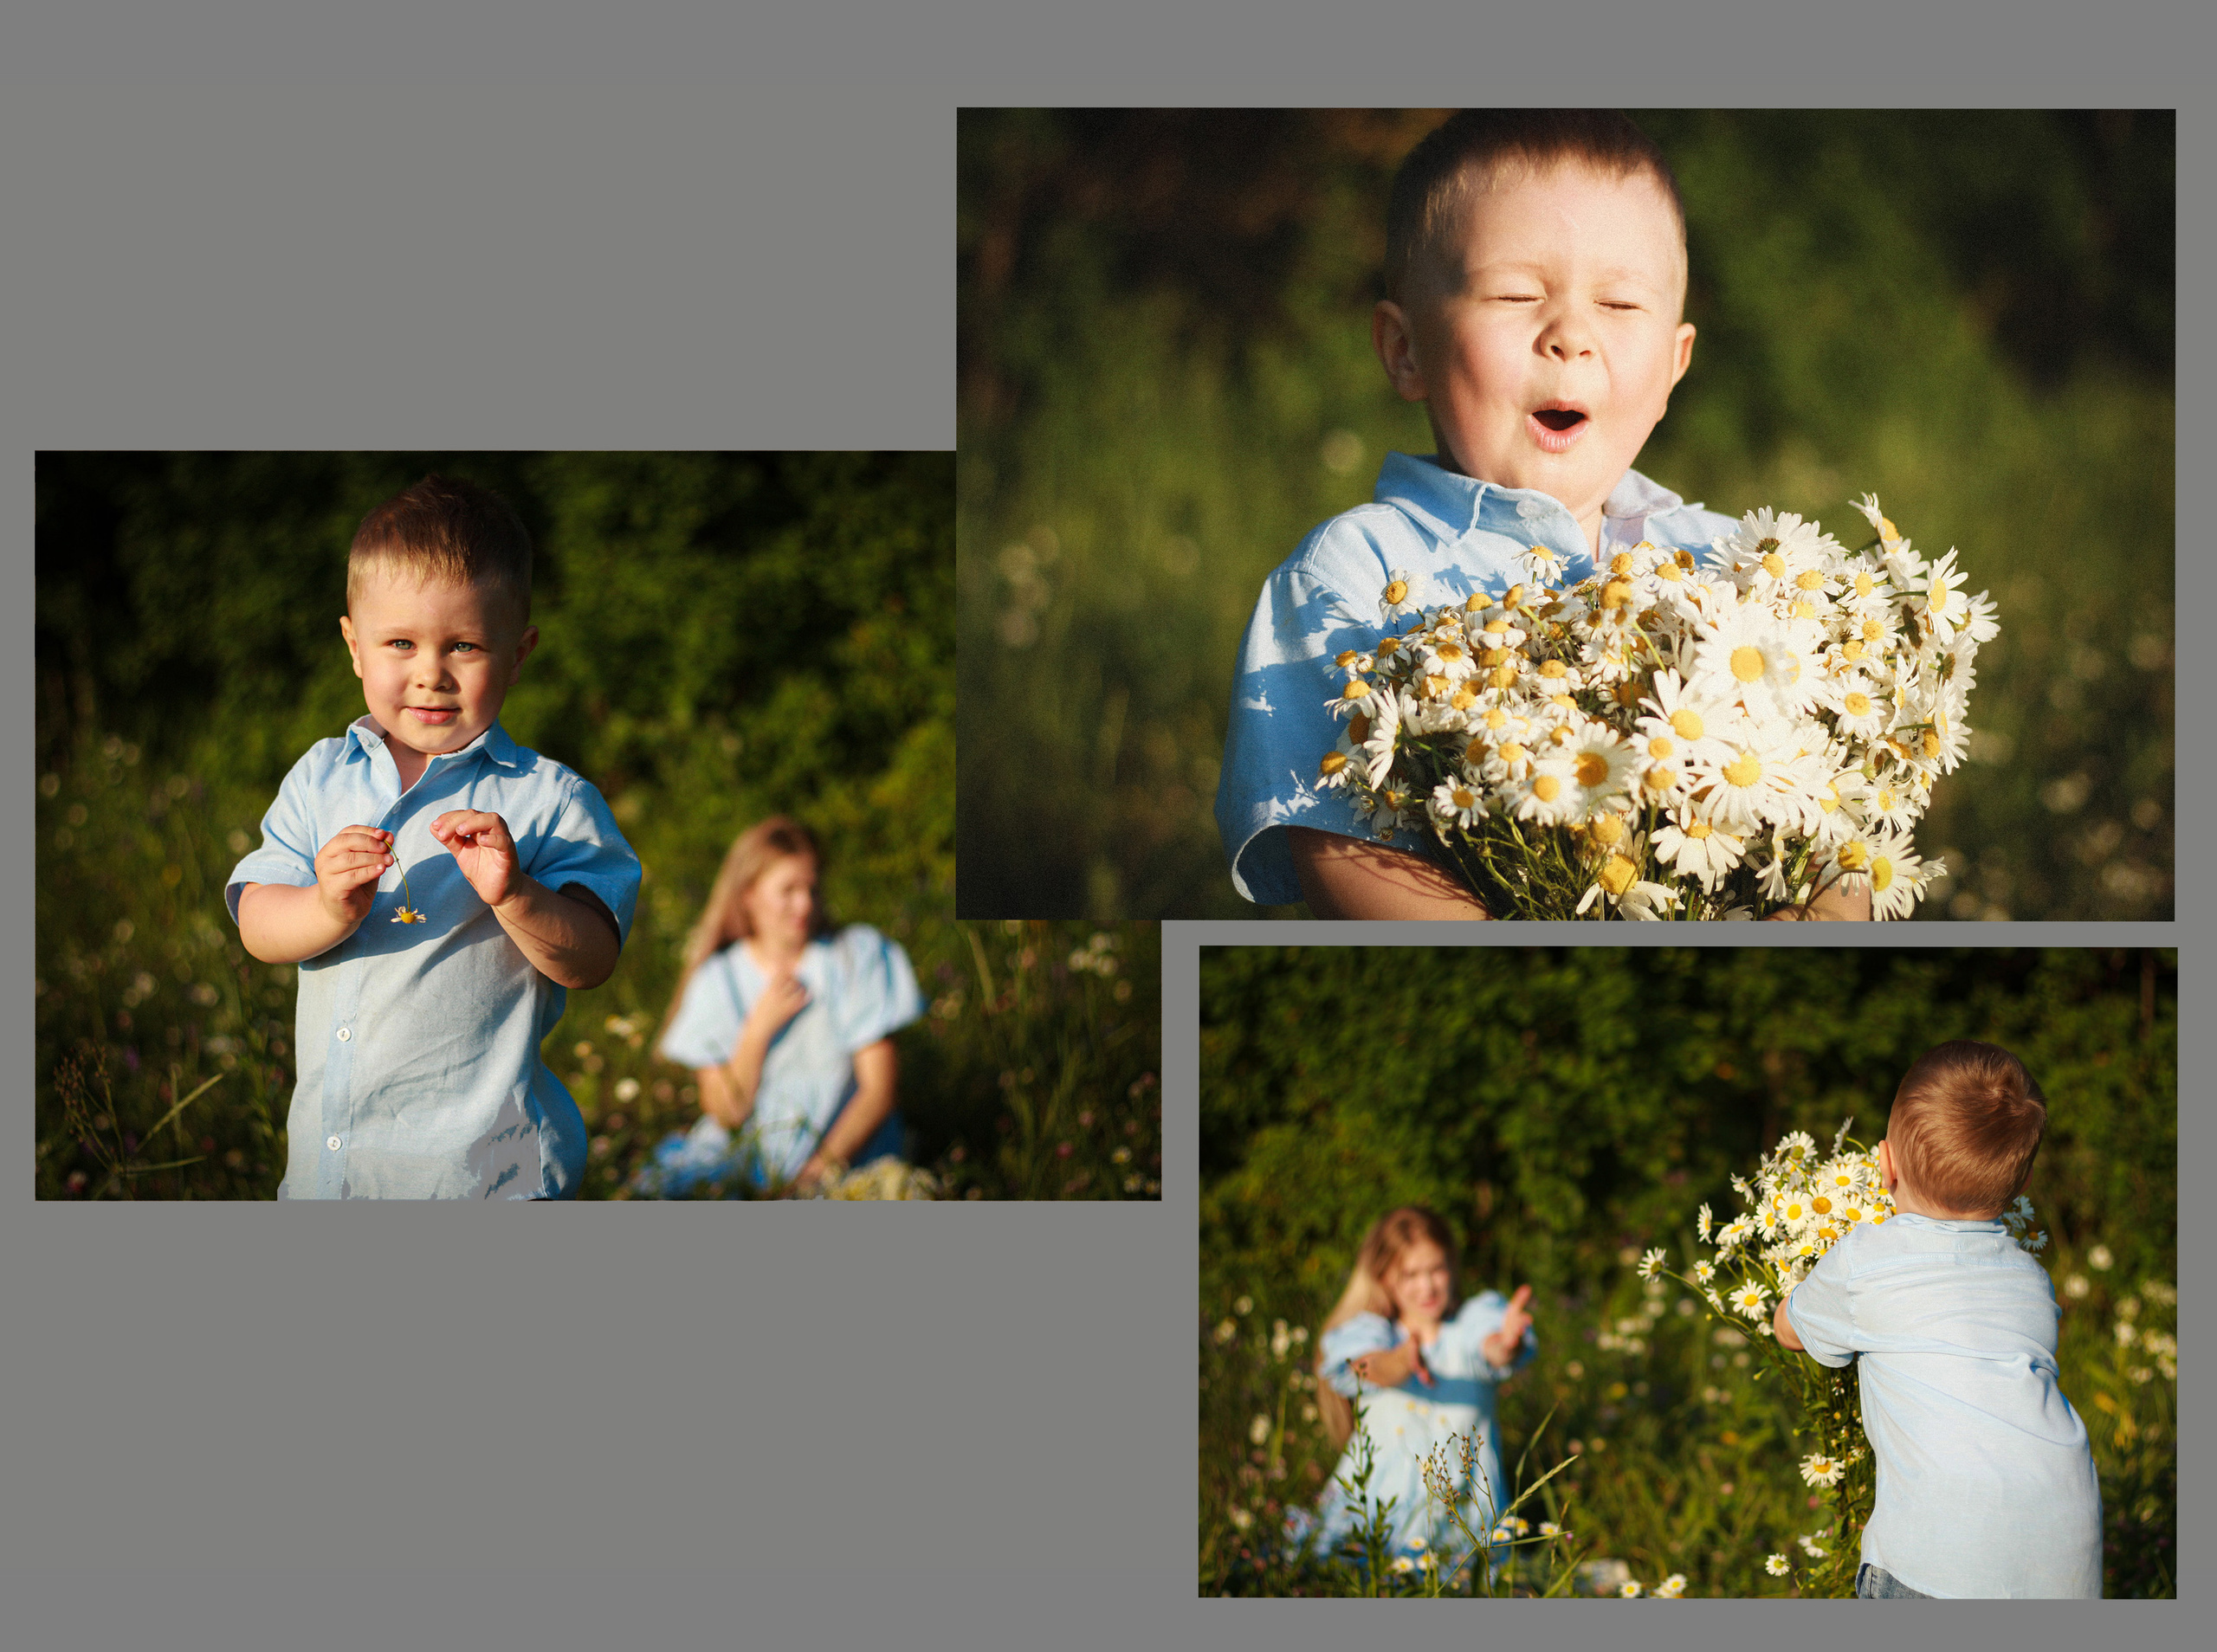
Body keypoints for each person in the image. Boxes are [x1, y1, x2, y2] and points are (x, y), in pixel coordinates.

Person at [1215, 109, 1868, 920]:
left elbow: (1835, 801)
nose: (1570, 336)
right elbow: (1346, 853)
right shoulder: (1350, 578)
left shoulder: (1733, 565)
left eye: (1621, 305)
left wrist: (1821, 915)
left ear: (1674, 365)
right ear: (1404, 349)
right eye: (1517, 294)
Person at [228, 474, 641, 1199]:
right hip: (336, 1171)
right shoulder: (322, 778)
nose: (430, 674)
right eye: (400, 643)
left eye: (464, 645)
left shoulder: (549, 800)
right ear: (355, 647)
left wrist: (515, 894)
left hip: (482, 1175)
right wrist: (324, 910)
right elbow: (258, 922)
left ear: (517, 654)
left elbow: (592, 957)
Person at [1777, 1041, 2103, 1598]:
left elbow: (1791, 1331)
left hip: (1936, 1561)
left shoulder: (1865, 1258)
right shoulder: (2031, 1279)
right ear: (2022, 1185)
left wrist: (1804, 1291)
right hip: (2065, 1547)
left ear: (1883, 1165)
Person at [638, 817, 926, 1196]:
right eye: (788, 890)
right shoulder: (719, 979)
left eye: (812, 888)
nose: (804, 904)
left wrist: (816, 1173)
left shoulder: (856, 956)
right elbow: (727, 1113)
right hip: (745, 1159)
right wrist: (759, 1029)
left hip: (846, 1156)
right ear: (749, 895)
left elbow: (878, 1092)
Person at [1292, 1207, 1537, 1578]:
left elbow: (1491, 1349)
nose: (1427, 1287)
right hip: (1375, 1520)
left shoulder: (1471, 1324)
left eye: (1436, 1269)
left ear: (1452, 1267)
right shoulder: (1372, 1334)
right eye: (1410, 1274)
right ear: (1384, 1277)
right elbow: (1366, 1367)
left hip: (1463, 1524)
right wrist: (1401, 1362)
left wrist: (1507, 1341)